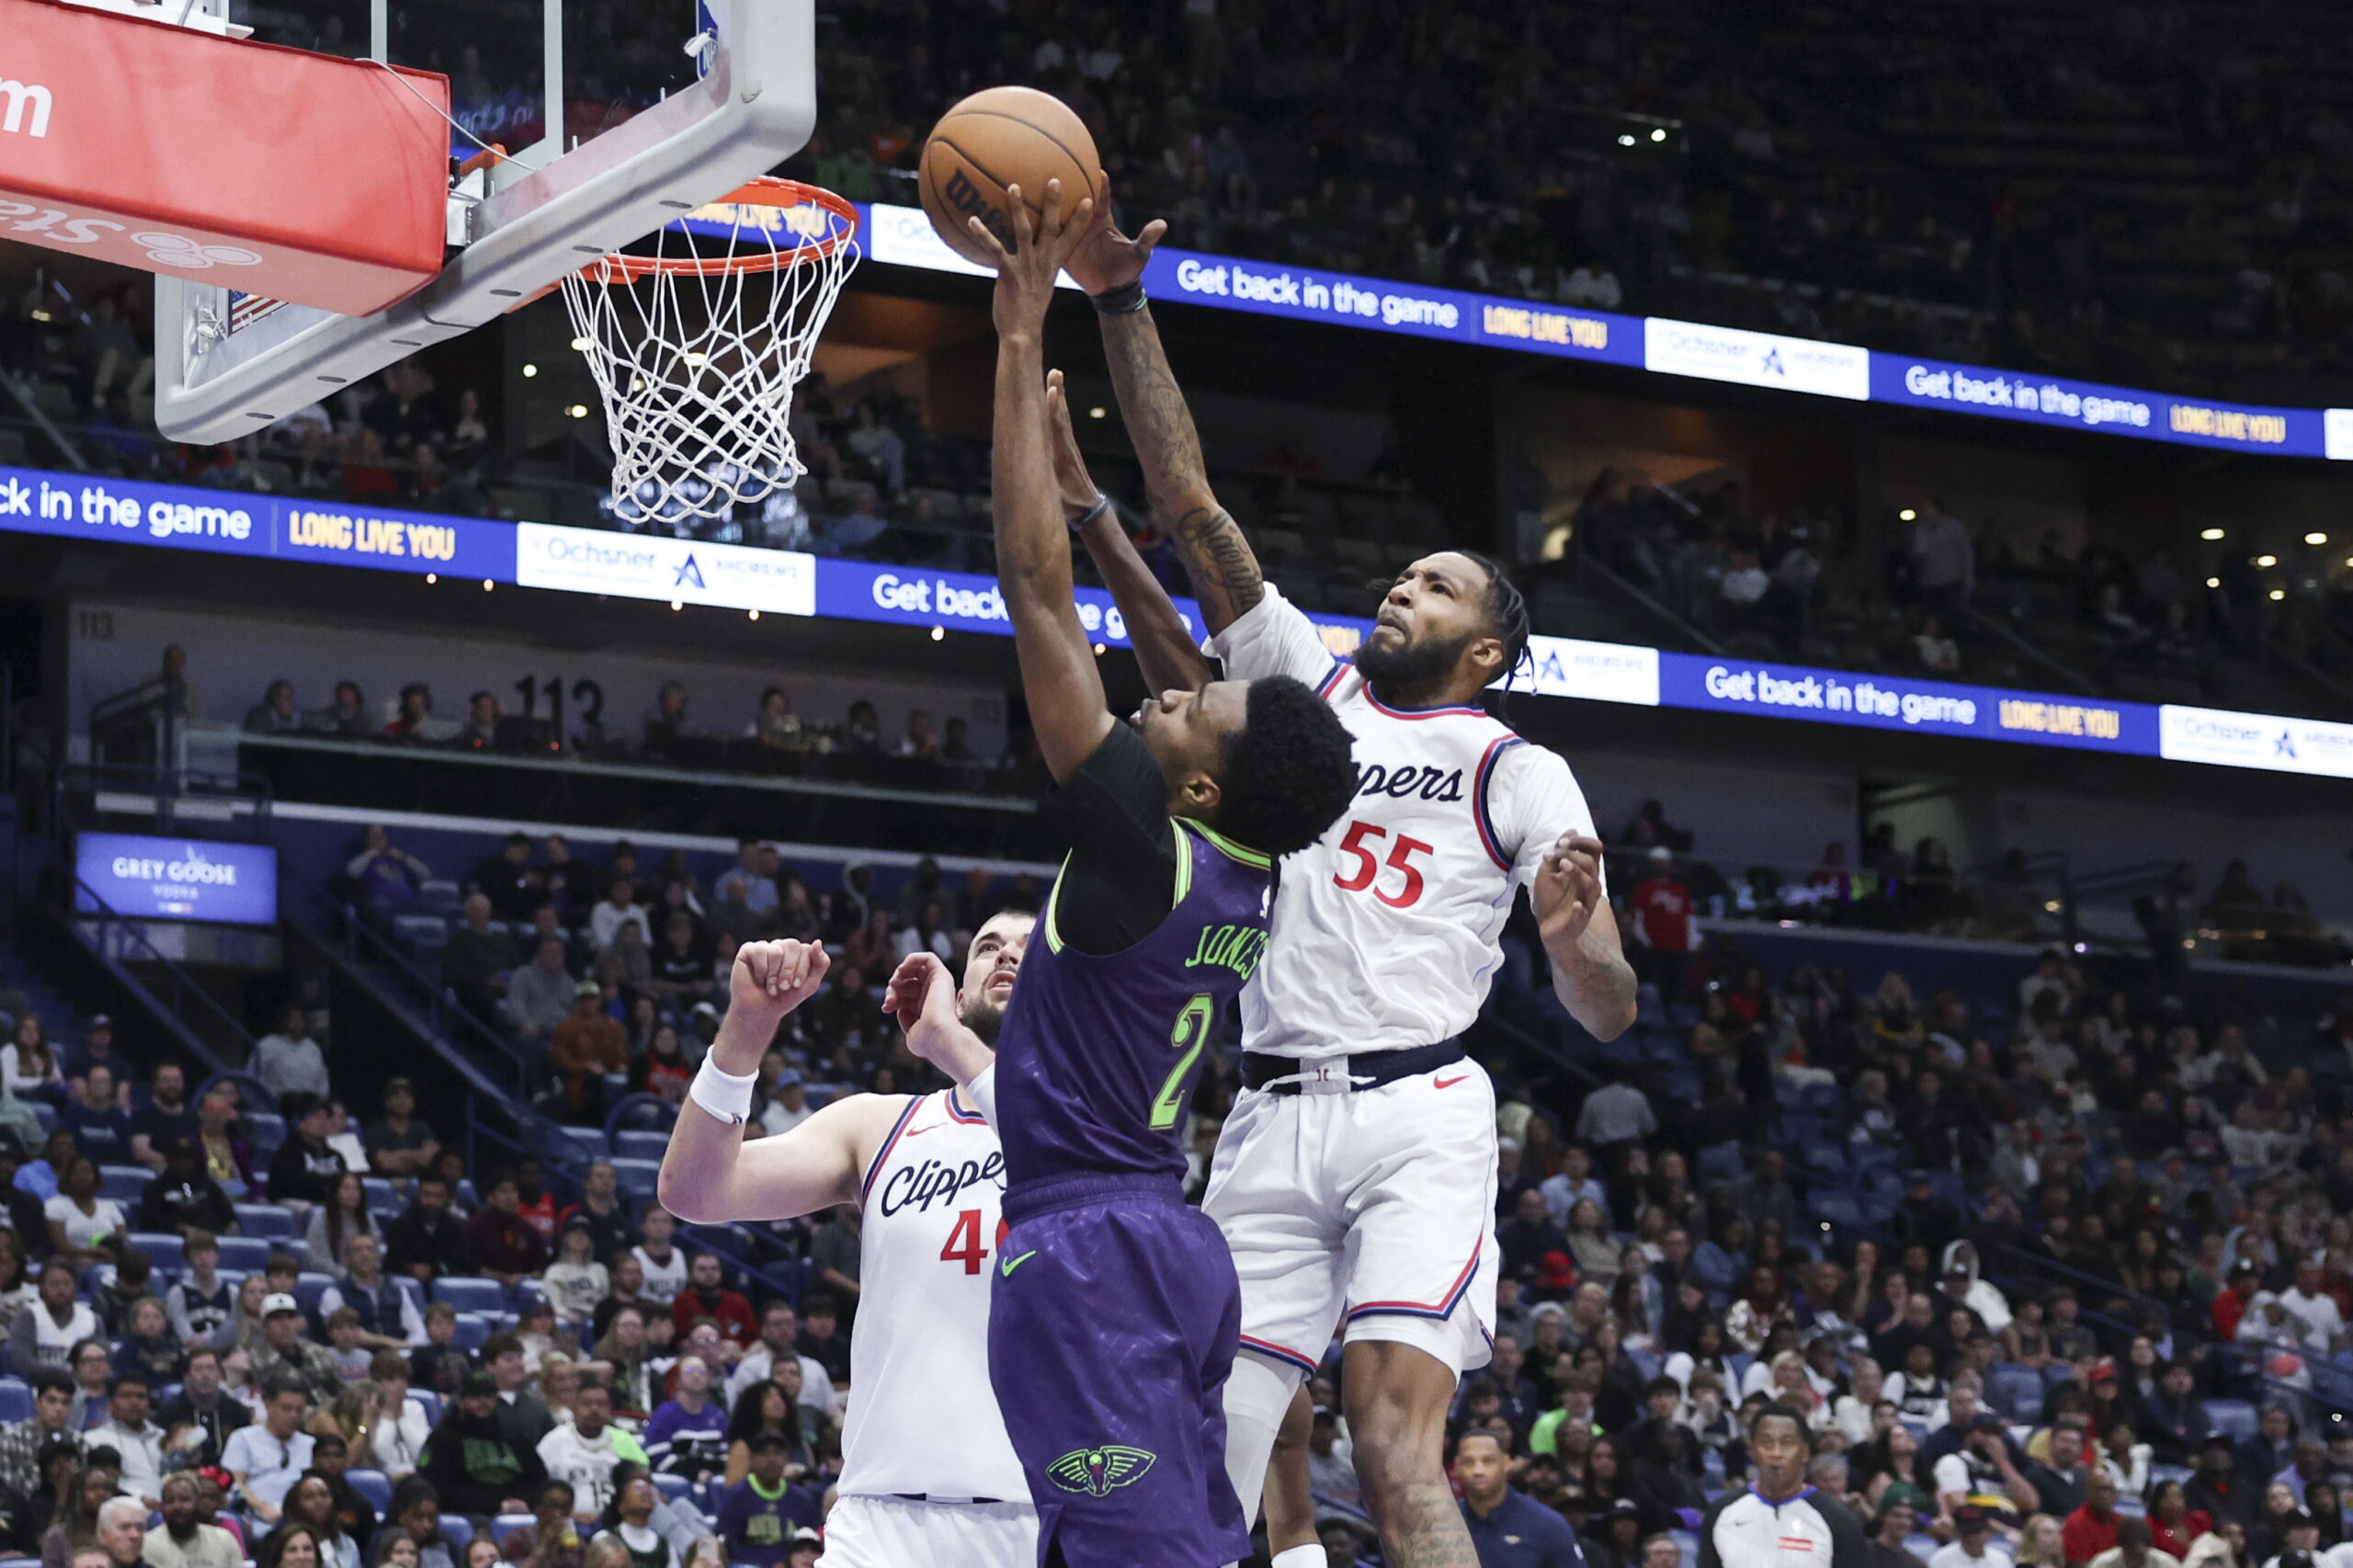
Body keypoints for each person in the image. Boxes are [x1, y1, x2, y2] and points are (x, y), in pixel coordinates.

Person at [1063, 181, 1635, 1568]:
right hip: (1265, 1115)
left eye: (1436, 587)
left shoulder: (1517, 769)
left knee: (1391, 1436)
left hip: (1414, 1111)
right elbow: (1191, 503)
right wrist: (1118, 299)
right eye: (1403, 574)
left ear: (1485, 647)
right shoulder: (1303, 693)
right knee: (1201, 1448)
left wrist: (1567, 944)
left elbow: (1611, 1009)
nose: (1402, 587)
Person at [900, 185, 1358, 1568]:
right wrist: (1108, 515)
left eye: (1185, 715)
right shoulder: (1239, 863)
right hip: (1171, 1238)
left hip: (1086, 1248)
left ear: (1198, 780)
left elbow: (1031, 593)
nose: (1168, 695)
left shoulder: (1136, 839)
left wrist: (1016, 326)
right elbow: (1193, 678)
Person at [657, 912, 1039, 1568]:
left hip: (1036, 1515)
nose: (1005, 956)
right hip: (880, 1519)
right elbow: (694, 1192)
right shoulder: (879, 1124)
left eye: (1030, 949)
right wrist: (748, 1030)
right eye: (986, 947)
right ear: (962, 984)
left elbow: (1050, 1134)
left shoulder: (1104, 1123)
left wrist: (948, 1041)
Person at [1700, 1404, 1867, 1568]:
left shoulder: (1838, 1521)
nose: (1776, 1453)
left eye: (1787, 1443)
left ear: (1805, 1452)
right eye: (1766, 1442)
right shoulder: (1721, 1513)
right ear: (1752, 1450)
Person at [418, 1371, 543, 1518]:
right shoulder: (442, 1438)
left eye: (488, 1396)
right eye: (475, 1397)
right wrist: (495, 1504)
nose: (483, 1402)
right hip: (468, 1517)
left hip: (521, 1512)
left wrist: (524, 1502)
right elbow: (435, 1486)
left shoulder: (515, 1435)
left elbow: (540, 1480)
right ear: (461, 1401)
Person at [1454, 1426, 1581, 1566]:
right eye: (1468, 1462)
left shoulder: (1547, 1525)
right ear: (1457, 1466)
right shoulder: (1443, 1524)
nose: (1478, 1470)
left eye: (1488, 1461)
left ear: (1506, 1463)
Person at [537, 1381, 644, 1525]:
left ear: (610, 1408)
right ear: (574, 1408)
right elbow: (539, 1492)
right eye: (587, 1403)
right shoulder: (553, 1442)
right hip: (566, 1523)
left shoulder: (622, 1440)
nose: (594, 1409)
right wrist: (569, 1515)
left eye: (601, 1404)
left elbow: (642, 1481)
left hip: (615, 1522)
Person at [710, 1433, 818, 1568]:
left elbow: (815, 1540)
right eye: (764, 1453)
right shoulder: (737, 1496)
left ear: (786, 1459)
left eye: (778, 1453)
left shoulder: (802, 1499)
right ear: (752, 1460)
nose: (771, 1459)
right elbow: (722, 1539)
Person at [222, 1379, 316, 1525]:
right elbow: (235, 1483)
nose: (293, 1416)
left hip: (301, 1518)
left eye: (299, 1410)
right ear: (267, 1404)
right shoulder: (243, 1438)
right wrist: (261, 1507)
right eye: (286, 1408)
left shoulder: (310, 1444)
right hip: (257, 1517)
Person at [153, 1346, 244, 1468]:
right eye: (198, 1369)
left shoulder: (235, 1410)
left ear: (220, 1374)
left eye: (211, 1368)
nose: (205, 1375)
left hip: (228, 1475)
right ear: (187, 1376)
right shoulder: (170, 1411)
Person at [142, 1473, 238, 1568]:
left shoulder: (224, 1540)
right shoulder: (147, 1545)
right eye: (170, 1501)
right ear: (161, 1507)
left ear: (198, 1503)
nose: (177, 1507)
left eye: (185, 1500)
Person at [252, 1008, 330, 1101]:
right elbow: (254, 1075)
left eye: (300, 1019)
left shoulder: (313, 1048)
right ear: (284, 1021)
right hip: (276, 1104)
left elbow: (322, 1078)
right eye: (293, 1019)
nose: (297, 1023)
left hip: (309, 1105)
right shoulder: (267, 1045)